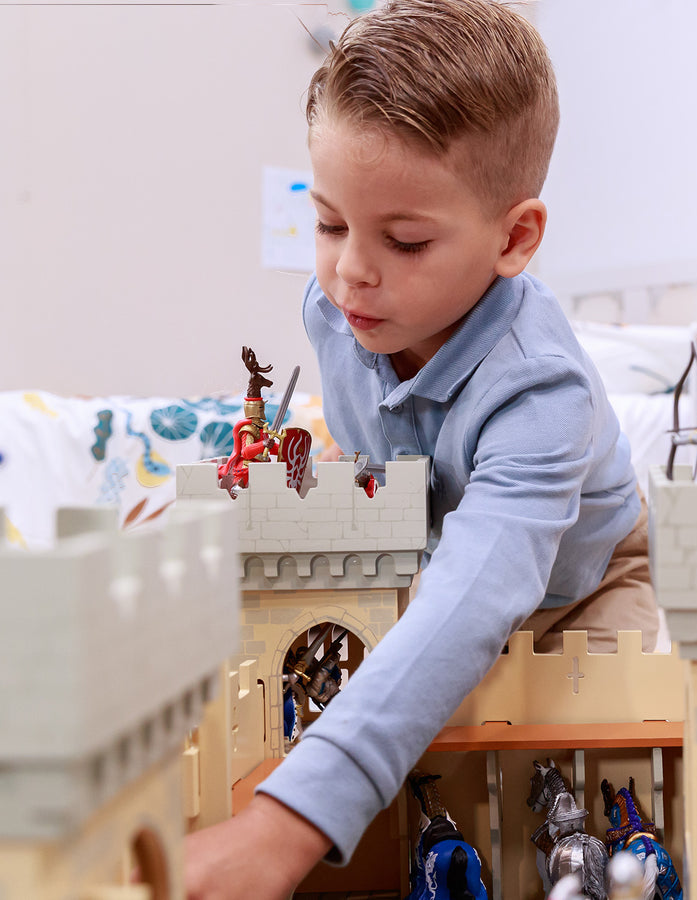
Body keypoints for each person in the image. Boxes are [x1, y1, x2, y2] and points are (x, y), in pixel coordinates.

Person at [184, 1, 658, 895]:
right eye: (327, 224)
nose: (350, 272)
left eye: (403, 241)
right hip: (430, 553)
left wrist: (288, 824)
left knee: (585, 770)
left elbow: (483, 588)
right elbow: (373, 445)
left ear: (514, 238)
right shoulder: (337, 312)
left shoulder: (538, 390)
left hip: (583, 580)